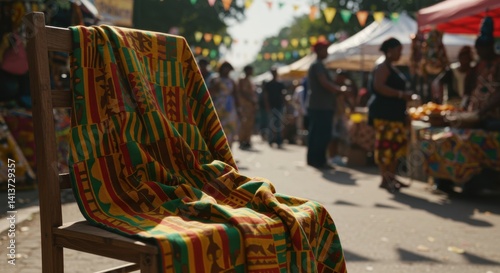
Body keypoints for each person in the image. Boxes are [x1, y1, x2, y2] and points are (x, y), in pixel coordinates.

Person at [367, 37, 413, 193]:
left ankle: (390, 177)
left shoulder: (390, 67)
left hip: (394, 114)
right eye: (398, 50)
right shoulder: (382, 67)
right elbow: (379, 87)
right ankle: (385, 178)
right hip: (384, 114)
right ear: (389, 51)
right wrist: (401, 94)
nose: (400, 54)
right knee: (386, 147)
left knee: (394, 146)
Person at [306, 41, 346, 169]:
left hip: (319, 106)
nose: (327, 52)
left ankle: (315, 159)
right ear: (319, 51)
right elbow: (325, 83)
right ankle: (319, 160)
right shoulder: (317, 65)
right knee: (322, 134)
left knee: (316, 133)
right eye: (325, 49)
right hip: (321, 107)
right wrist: (340, 90)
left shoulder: (318, 65)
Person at [463, 16, 500, 130]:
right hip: (475, 116)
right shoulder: (478, 65)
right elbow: (469, 88)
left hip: (494, 118)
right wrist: (465, 104)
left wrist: (482, 112)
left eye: (480, 50)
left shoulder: (498, 64)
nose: (478, 53)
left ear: (489, 47)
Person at [208, 61, 239, 150]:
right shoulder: (214, 79)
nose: (226, 70)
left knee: (229, 128)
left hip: (229, 107)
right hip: (217, 105)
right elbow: (209, 92)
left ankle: (228, 150)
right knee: (216, 128)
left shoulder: (232, 81)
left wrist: (239, 108)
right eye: (224, 68)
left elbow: (236, 94)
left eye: (228, 68)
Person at [328, 70, 356, 166]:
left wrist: (351, 106)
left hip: (341, 113)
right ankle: (332, 156)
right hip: (333, 114)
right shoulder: (332, 86)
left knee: (340, 136)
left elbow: (347, 99)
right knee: (333, 136)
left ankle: (337, 156)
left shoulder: (343, 87)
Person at [263, 67, 286, 148]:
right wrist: (267, 106)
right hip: (271, 106)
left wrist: (285, 104)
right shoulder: (268, 84)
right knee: (271, 124)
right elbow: (265, 96)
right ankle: (271, 140)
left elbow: (283, 95)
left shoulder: (280, 84)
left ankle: (279, 141)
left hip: (279, 106)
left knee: (279, 124)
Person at [236, 65, 257, 150]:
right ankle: (241, 141)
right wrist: (251, 100)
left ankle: (247, 140)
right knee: (243, 123)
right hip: (244, 105)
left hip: (250, 106)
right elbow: (241, 92)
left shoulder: (250, 80)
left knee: (249, 123)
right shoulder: (242, 80)